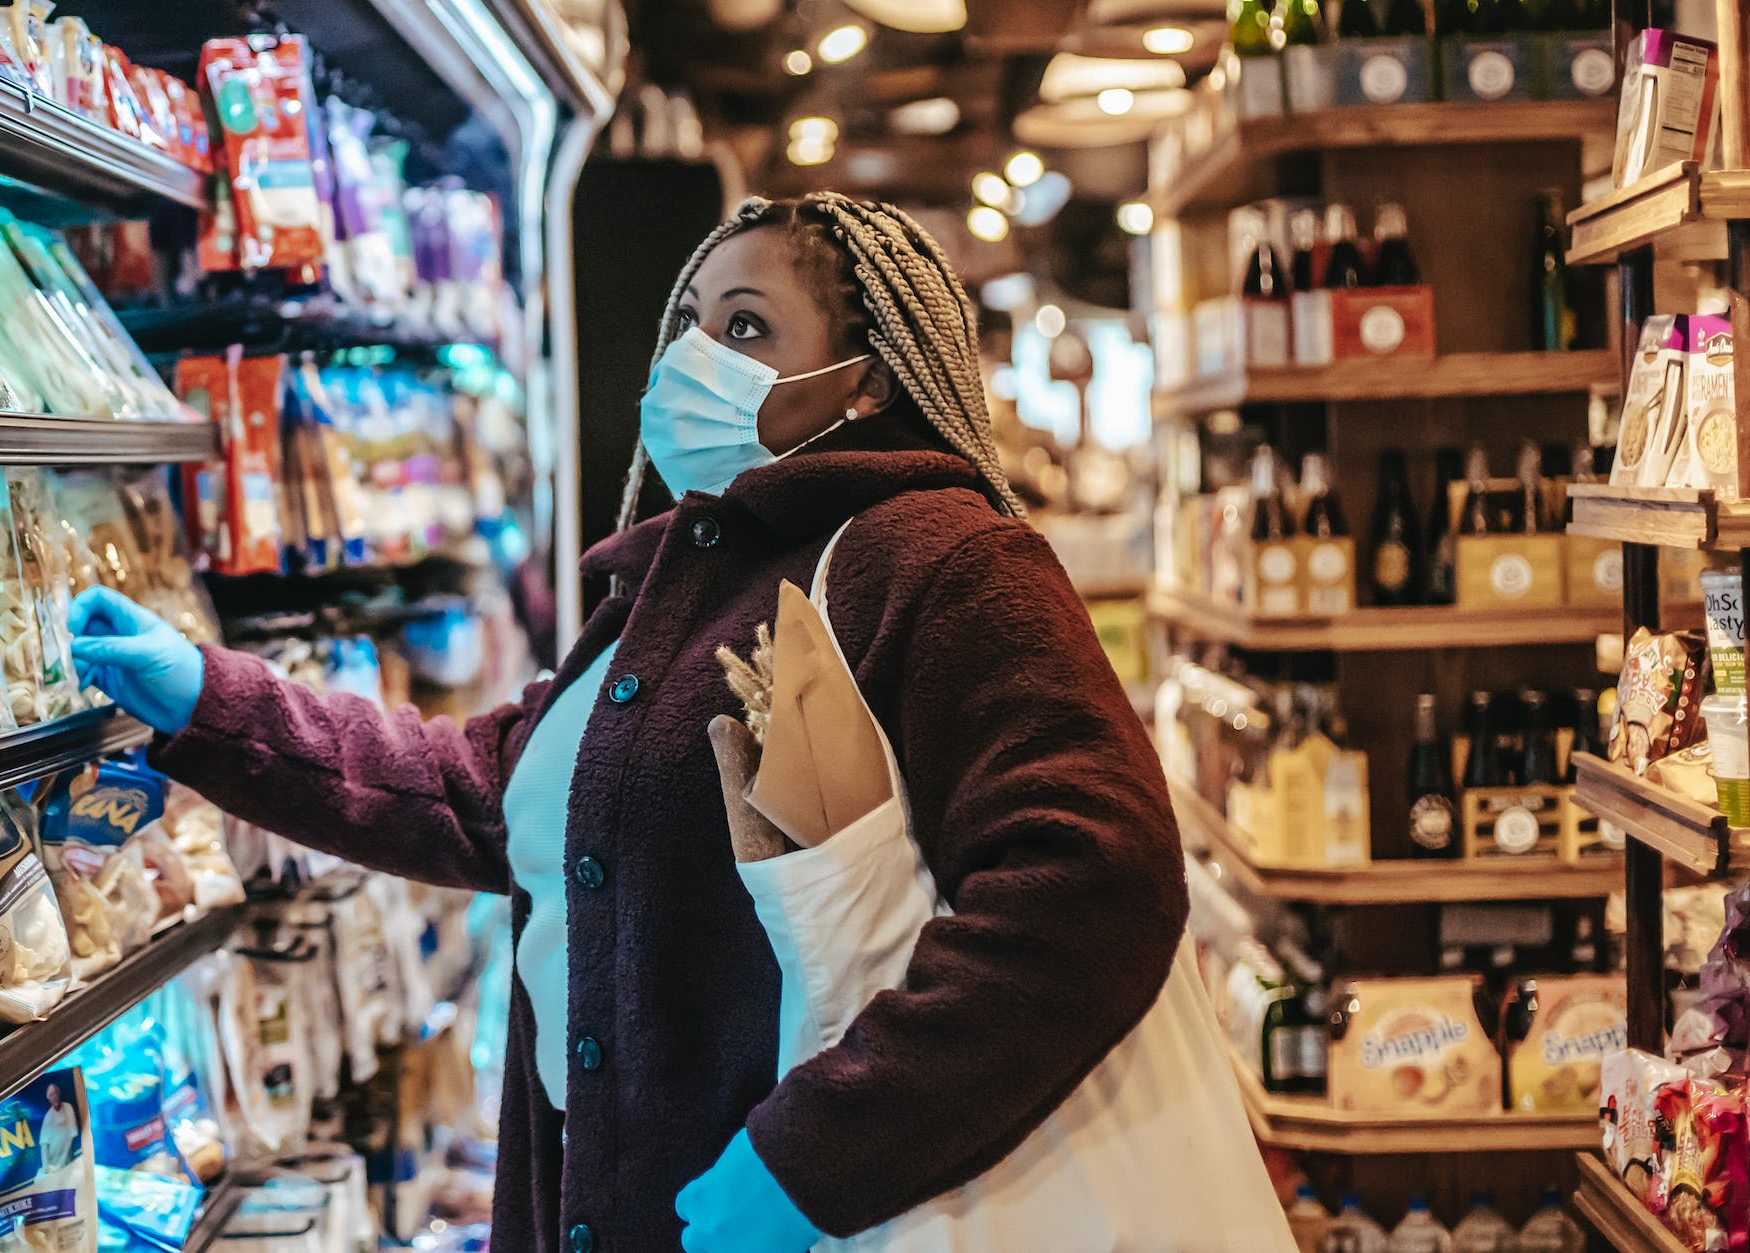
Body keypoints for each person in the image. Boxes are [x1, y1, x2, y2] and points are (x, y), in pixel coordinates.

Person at [71, 194, 1193, 1253]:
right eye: (687, 326)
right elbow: (490, 791)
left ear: (863, 383)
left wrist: (817, 1151)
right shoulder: (674, 579)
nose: (689, 360)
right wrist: (214, 699)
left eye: (745, 326)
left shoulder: (938, 560)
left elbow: (1095, 879)